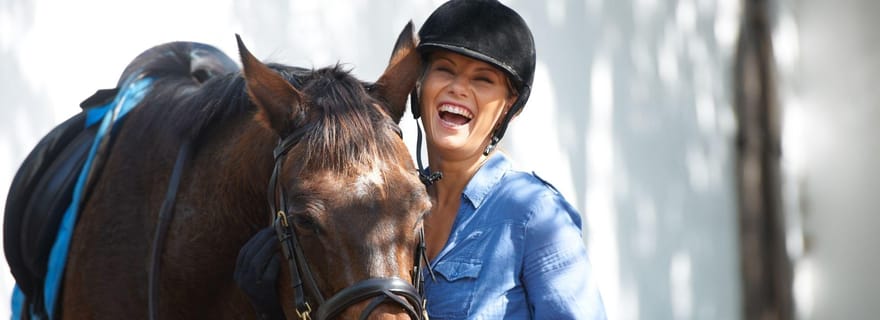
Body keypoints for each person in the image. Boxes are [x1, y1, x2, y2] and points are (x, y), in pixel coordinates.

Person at [234, 0, 606, 318]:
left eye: (483, 79)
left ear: (509, 107)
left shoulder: (534, 213)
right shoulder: (389, 207)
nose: (459, 88)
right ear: (417, 87)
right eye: (445, 69)